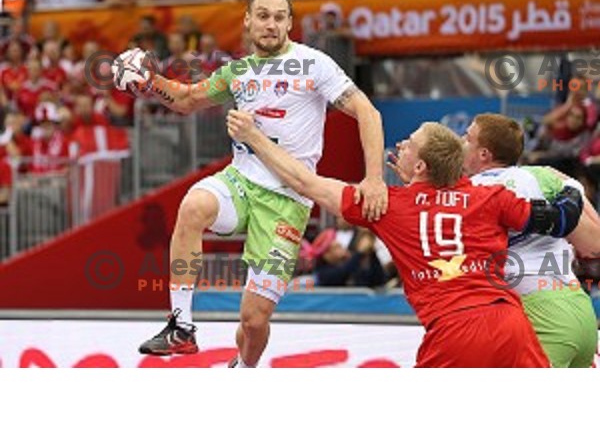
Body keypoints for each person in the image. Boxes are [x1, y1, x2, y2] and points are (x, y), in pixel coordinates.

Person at [112, 0, 388, 366]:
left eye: (279, 17)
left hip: (288, 201)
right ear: (247, 21)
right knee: (193, 207)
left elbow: (367, 112)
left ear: (290, 23)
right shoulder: (237, 71)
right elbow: (189, 99)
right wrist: (151, 82)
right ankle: (181, 325)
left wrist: (373, 179)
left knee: (253, 320)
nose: (271, 24)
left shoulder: (314, 64)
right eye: (263, 16)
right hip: (240, 180)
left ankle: (245, 368)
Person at [226, 111, 585, 367]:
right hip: (510, 324)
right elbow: (560, 219)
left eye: (410, 142)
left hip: (454, 333)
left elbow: (305, 182)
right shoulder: (488, 196)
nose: (401, 143)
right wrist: (572, 187)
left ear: (419, 167)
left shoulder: (388, 206)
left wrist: (255, 137)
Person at [463, 113, 598, 367]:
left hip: (539, 314)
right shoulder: (543, 176)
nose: (461, 142)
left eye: (467, 138)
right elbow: (595, 245)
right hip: (580, 308)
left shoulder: (468, 190)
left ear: (484, 154)